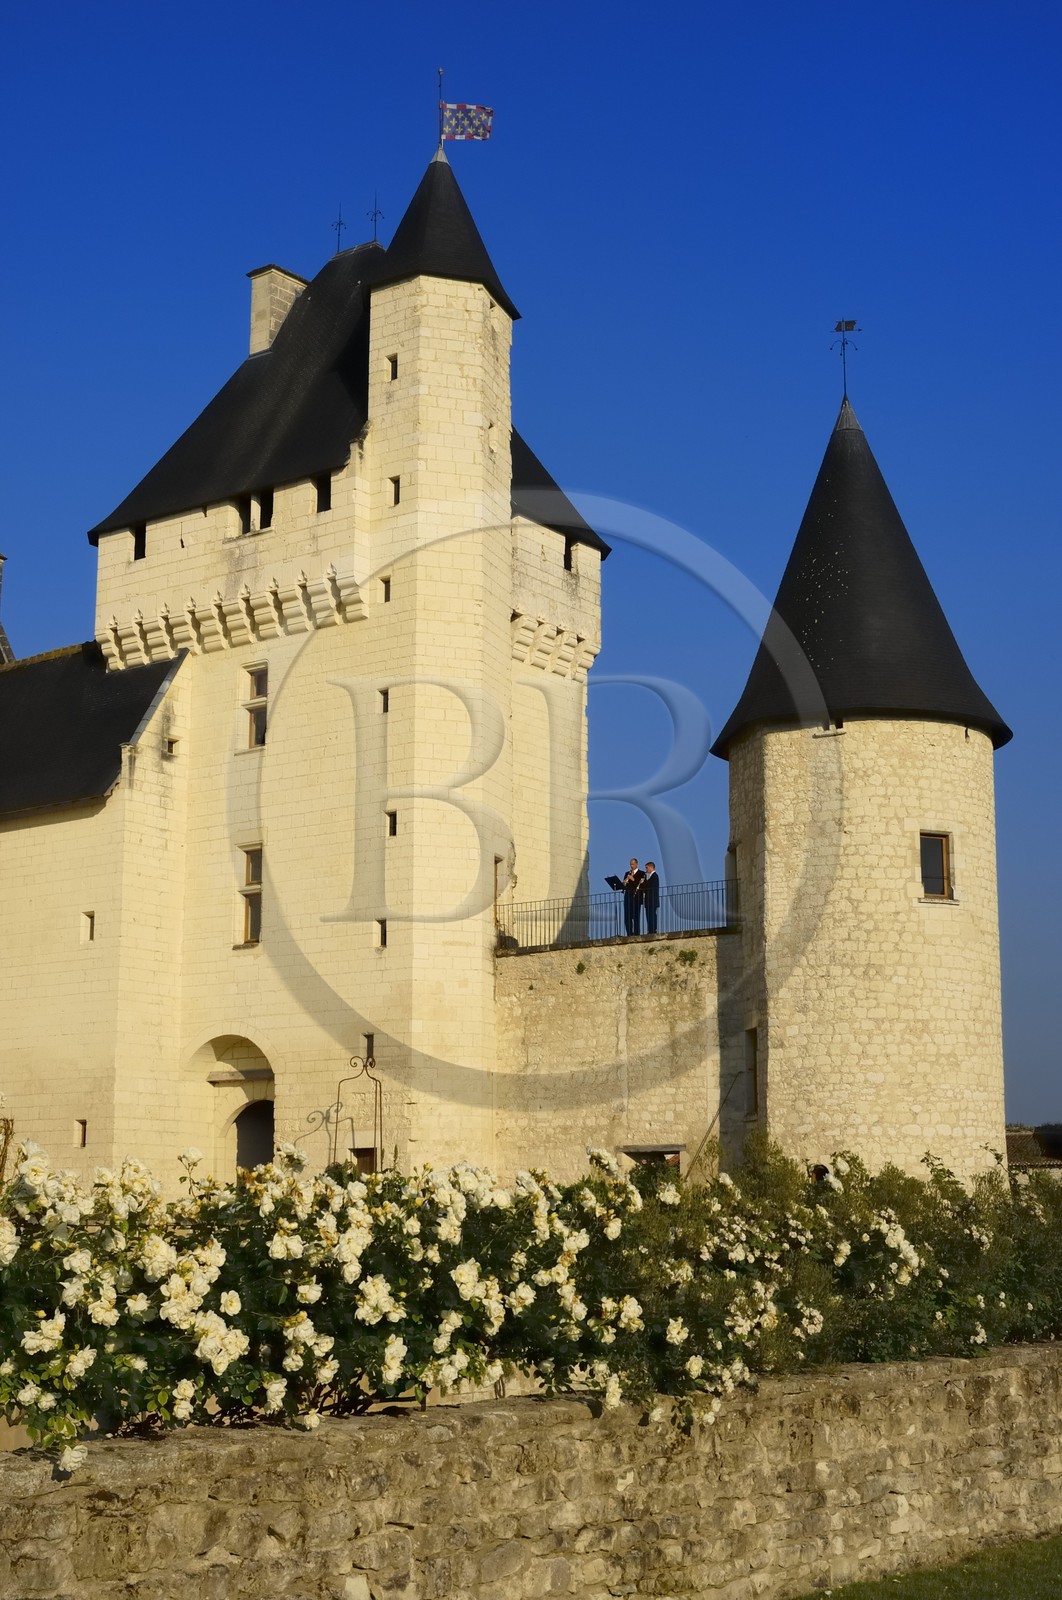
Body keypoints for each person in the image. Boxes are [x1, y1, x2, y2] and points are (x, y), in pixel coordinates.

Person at [622, 859, 644, 935]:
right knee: (627, 916)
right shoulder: (627, 873)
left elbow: (641, 885)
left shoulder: (641, 873)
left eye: (633, 864)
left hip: (636, 897)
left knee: (636, 916)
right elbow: (624, 885)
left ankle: (636, 933)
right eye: (630, 864)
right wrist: (625, 882)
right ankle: (629, 933)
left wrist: (633, 879)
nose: (631, 866)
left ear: (637, 864)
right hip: (627, 897)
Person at [640, 861, 660, 934]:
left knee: (651, 915)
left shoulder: (654, 876)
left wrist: (642, 883)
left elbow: (649, 886)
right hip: (650, 900)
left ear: (651, 867)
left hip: (652, 900)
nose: (646, 869)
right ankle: (651, 929)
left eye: (647, 867)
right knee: (649, 915)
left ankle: (652, 930)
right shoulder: (652, 877)